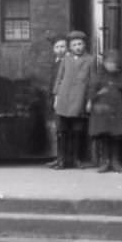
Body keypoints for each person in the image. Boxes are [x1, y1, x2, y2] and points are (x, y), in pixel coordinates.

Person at [52, 30, 94, 170]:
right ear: (70, 47)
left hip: (79, 99)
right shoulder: (66, 59)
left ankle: (76, 159)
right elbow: (59, 78)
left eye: (80, 44)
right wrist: (56, 97)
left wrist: (89, 100)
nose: (77, 47)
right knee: (62, 130)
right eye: (74, 44)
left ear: (84, 44)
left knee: (77, 131)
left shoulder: (90, 60)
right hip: (64, 98)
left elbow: (92, 82)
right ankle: (62, 160)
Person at [87, 49, 122, 174]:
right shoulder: (99, 76)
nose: (110, 65)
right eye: (108, 62)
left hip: (117, 111)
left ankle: (116, 161)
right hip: (102, 111)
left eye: (113, 63)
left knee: (116, 136)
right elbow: (92, 90)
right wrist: (90, 101)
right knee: (104, 136)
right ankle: (105, 161)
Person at [45, 36, 68, 168]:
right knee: (58, 130)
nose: (60, 49)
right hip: (55, 98)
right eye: (57, 47)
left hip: (63, 98)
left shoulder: (67, 62)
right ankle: (59, 157)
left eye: (62, 46)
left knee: (64, 129)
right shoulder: (56, 62)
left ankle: (64, 159)